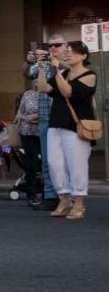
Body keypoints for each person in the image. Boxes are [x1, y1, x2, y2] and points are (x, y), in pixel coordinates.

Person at [38, 41, 97, 220]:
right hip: (56, 123)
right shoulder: (62, 73)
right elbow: (43, 88)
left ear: (83, 56)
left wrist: (56, 71)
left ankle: (79, 203)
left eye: (72, 52)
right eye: (67, 52)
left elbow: (68, 92)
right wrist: (41, 68)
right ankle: (63, 199)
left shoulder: (89, 75)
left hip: (76, 125)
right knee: (54, 164)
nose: (68, 55)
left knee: (76, 165)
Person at [22, 35, 67, 211]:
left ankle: (67, 196)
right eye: (51, 46)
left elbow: (71, 69)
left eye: (58, 45)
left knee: (68, 160)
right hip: (46, 117)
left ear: (66, 47)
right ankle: (50, 196)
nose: (54, 48)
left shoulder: (69, 62)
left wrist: (54, 60)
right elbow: (27, 73)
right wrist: (29, 61)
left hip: (65, 118)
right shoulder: (44, 64)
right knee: (48, 160)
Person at [14, 83, 41, 205]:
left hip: (44, 133)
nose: (37, 81)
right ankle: (31, 194)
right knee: (31, 164)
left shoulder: (49, 94)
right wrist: (27, 119)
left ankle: (50, 194)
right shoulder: (28, 94)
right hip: (27, 132)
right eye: (35, 79)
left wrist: (38, 116)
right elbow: (19, 114)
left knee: (48, 163)